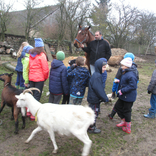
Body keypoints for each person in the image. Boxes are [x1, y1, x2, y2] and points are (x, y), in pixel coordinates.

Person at [108, 52, 139, 119]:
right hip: (129, 91)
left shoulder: (122, 68)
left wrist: (114, 90)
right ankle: (116, 116)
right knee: (122, 105)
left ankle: (118, 117)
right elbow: (136, 81)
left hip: (122, 90)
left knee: (120, 105)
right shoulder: (135, 69)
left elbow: (116, 79)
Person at [114, 57, 137, 134]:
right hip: (123, 95)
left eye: (122, 65)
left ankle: (128, 127)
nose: (121, 66)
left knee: (127, 111)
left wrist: (122, 90)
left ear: (126, 66)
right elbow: (126, 82)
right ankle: (123, 120)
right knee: (117, 107)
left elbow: (133, 86)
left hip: (128, 97)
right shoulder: (125, 72)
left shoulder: (131, 75)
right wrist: (119, 81)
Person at [29, 38, 49, 120]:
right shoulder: (42, 55)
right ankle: (33, 114)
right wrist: (45, 77)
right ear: (42, 47)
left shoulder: (31, 54)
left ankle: (28, 110)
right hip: (39, 79)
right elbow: (45, 69)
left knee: (31, 94)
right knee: (37, 96)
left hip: (31, 77)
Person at [87, 58, 109, 134]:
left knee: (91, 112)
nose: (104, 69)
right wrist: (105, 98)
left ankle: (89, 125)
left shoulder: (97, 75)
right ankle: (91, 127)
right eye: (103, 67)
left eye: (105, 67)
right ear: (99, 67)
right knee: (94, 113)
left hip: (93, 98)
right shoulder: (97, 77)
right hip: (94, 99)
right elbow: (99, 90)